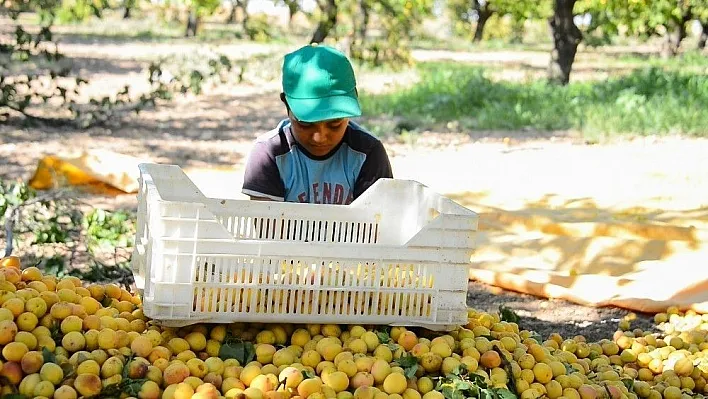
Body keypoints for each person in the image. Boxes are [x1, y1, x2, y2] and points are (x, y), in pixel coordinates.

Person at [241, 43, 393, 205]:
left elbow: (375, 223)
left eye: (334, 123)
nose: (319, 138)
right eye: (305, 124)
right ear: (287, 105)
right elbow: (267, 226)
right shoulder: (269, 153)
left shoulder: (368, 153)